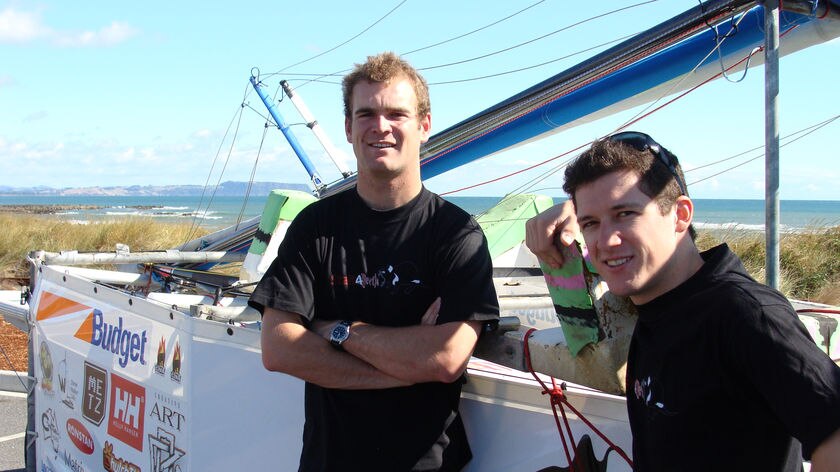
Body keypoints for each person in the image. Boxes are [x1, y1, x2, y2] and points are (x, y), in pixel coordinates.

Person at [525, 131, 840, 471]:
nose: (606, 240)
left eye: (626, 214)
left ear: (680, 215)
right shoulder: (657, 309)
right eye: (591, 223)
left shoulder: (744, 313)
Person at [248, 52, 499, 472]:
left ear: (424, 126)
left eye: (396, 114)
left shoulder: (457, 234)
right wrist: (405, 366)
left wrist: (336, 330)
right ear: (348, 128)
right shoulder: (316, 227)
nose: (380, 126)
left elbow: (445, 359)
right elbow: (278, 349)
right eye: (366, 114)